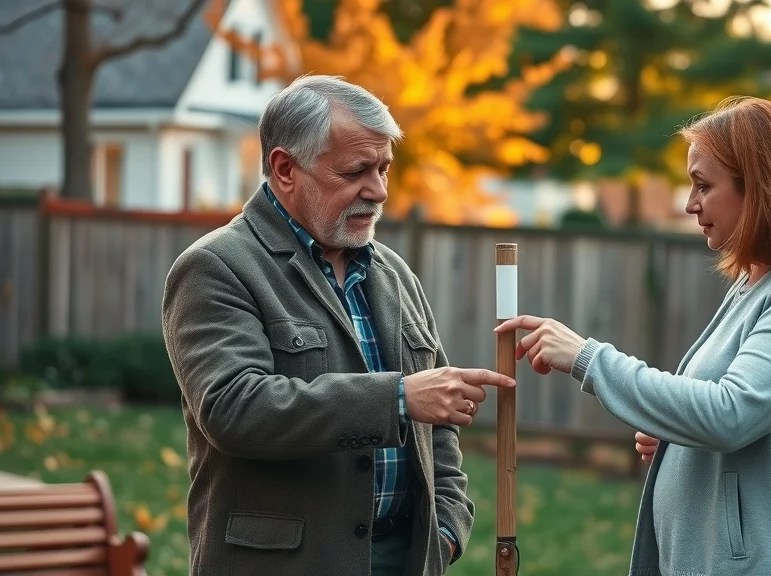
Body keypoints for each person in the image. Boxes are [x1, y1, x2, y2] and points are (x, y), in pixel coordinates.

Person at [495, 96, 771, 576]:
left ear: (759, 187)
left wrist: (589, 359)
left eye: (703, 185)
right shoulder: (761, 279)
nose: (689, 203)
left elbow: (730, 413)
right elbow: (736, 415)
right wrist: (677, 436)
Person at [162, 75, 515, 576]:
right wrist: (395, 398)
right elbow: (233, 407)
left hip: (404, 559)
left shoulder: (393, 274)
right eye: (355, 171)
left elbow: (437, 427)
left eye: (384, 168)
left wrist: (447, 527)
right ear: (285, 169)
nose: (378, 190)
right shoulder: (217, 267)